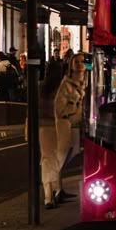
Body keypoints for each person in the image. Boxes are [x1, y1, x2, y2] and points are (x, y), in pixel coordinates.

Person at [53, 51, 87, 200]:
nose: (80, 65)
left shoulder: (87, 80)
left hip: (78, 123)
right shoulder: (66, 83)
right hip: (67, 123)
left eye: (82, 62)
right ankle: (56, 188)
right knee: (63, 154)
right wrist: (73, 111)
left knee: (73, 151)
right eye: (77, 62)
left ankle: (58, 187)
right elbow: (59, 108)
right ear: (71, 65)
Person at [38, 59, 65, 209]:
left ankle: (50, 194)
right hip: (57, 126)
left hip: (43, 128)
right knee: (56, 160)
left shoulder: (41, 87)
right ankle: (55, 192)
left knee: (47, 160)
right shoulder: (60, 88)